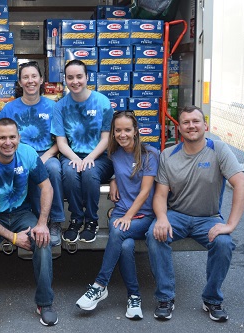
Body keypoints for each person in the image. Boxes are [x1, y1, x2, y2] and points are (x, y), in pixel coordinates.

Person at [146, 106, 244, 322]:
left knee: (224, 243)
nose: (191, 126)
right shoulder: (168, 155)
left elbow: (241, 184)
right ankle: (165, 298)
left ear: (205, 126)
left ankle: (212, 299)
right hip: (177, 215)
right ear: (179, 129)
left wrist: (230, 225)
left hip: (208, 218)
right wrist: (162, 218)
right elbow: (160, 195)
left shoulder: (218, 150)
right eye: (186, 122)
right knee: (154, 235)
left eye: (196, 121)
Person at [0, 118, 58, 332]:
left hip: (21, 214)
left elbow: (47, 188)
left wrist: (43, 223)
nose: (7, 142)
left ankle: (44, 302)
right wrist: (13, 237)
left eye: (12, 137)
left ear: (19, 137)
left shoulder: (27, 154)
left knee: (42, 239)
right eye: (2, 138)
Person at [76, 111, 159, 319]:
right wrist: (113, 179)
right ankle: (134, 298)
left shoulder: (150, 154)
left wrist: (128, 217)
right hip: (122, 212)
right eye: (118, 130)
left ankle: (100, 284)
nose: (122, 134)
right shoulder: (115, 153)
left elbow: (145, 192)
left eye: (127, 130)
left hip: (143, 216)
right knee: (125, 245)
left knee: (118, 230)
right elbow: (115, 172)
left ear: (136, 131)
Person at [0, 61, 65, 246]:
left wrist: (44, 157)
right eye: (25, 77)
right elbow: (0, 139)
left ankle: (56, 221)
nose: (30, 81)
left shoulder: (53, 107)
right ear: (19, 82)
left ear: (41, 79)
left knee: (52, 168)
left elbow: (61, 141)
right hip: (17, 155)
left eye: (34, 76)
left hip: (46, 154)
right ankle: (27, 221)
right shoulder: (9, 109)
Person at [51, 59, 114, 243]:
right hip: (72, 154)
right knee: (70, 173)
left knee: (89, 172)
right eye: (70, 77)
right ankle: (76, 218)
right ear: (66, 80)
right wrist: (75, 158)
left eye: (79, 76)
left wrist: (90, 158)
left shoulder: (102, 101)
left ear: (87, 77)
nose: (75, 81)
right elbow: (61, 143)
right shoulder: (60, 106)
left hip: (100, 156)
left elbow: (106, 138)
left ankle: (92, 220)